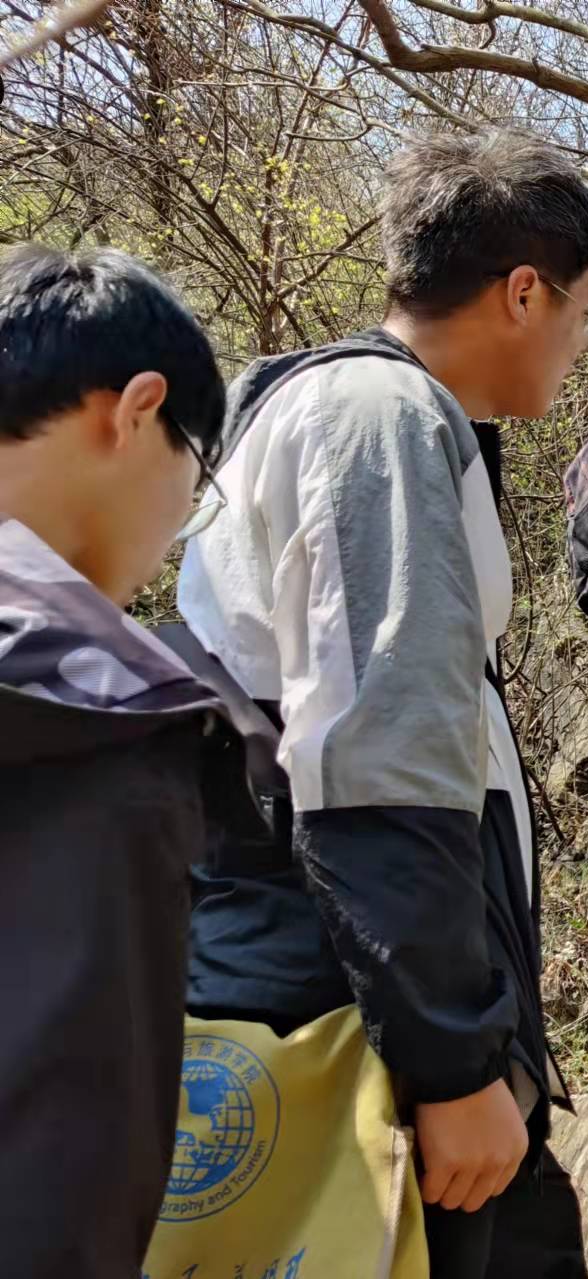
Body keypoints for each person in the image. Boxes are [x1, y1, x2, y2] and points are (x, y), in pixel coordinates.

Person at [176, 129, 588, 1276]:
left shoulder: (350, 408)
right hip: (361, 1014)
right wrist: (454, 1061)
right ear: (523, 292)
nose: (581, 341)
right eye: (582, 310)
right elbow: (382, 759)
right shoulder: (380, 420)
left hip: (365, 987)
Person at [0, 245, 238, 1274]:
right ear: (137, 410)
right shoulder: (102, 714)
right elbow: (64, 1152)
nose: (181, 517)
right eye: (196, 472)